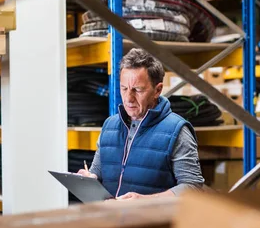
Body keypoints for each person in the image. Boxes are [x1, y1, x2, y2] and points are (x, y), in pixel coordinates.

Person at [78, 48, 205, 200]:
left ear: (157, 90)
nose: (128, 98)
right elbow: (97, 171)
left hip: (152, 222)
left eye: (137, 90)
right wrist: (90, 179)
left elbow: (193, 187)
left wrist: (145, 201)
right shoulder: (109, 126)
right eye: (124, 88)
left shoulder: (176, 130)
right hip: (111, 221)